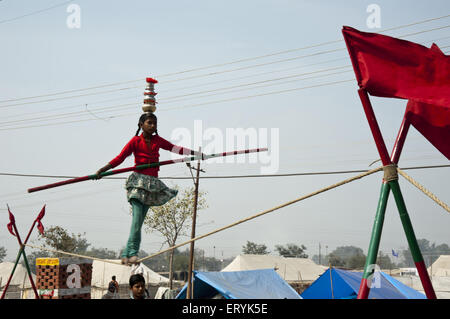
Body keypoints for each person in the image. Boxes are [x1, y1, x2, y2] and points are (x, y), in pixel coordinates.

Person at [96, 112, 202, 265]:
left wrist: (195, 154)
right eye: (149, 123)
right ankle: (132, 253)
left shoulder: (157, 140)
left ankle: (126, 254)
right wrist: (102, 171)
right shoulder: (135, 141)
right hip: (138, 184)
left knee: (138, 222)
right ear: (141, 125)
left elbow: (174, 148)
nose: (153, 126)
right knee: (137, 220)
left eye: (155, 123)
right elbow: (120, 158)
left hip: (151, 185)